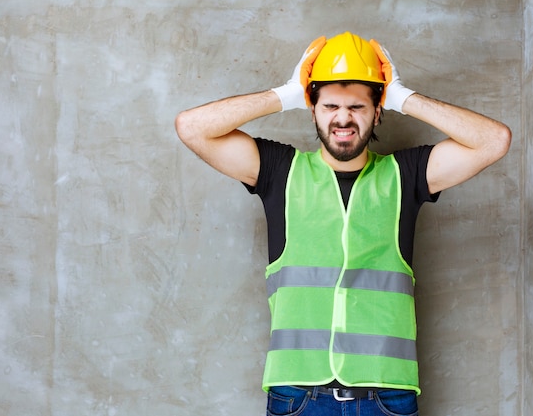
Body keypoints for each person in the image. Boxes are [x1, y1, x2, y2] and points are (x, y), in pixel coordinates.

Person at [175, 32, 511, 416]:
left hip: (387, 395)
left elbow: (494, 140)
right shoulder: (279, 172)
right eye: (330, 105)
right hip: (297, 397)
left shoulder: (407, 174)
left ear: (378, 111)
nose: (343, 118)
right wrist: (286, 94)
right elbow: (191, 127)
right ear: (313, 109)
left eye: (358, 106)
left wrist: (402, 97)